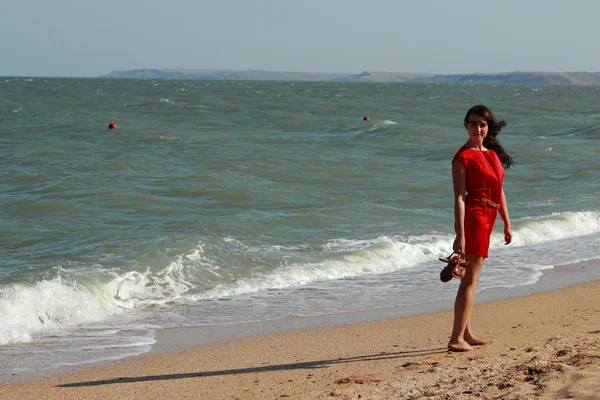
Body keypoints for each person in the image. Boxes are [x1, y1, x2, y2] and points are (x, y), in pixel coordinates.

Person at [448, 105, 514, 352]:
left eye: (482, 124)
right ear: (465, 126)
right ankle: (455, 339)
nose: (478, 128)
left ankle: (466, 332)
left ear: (488, 128)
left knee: (472, 279)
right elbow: (459, 197)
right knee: (469, 280)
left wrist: (506, 222)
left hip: (490, 215)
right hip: (474, 217)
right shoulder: (461, 157)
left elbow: (500, 191)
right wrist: (460, 234)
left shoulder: (491, 154)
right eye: (474, 124)